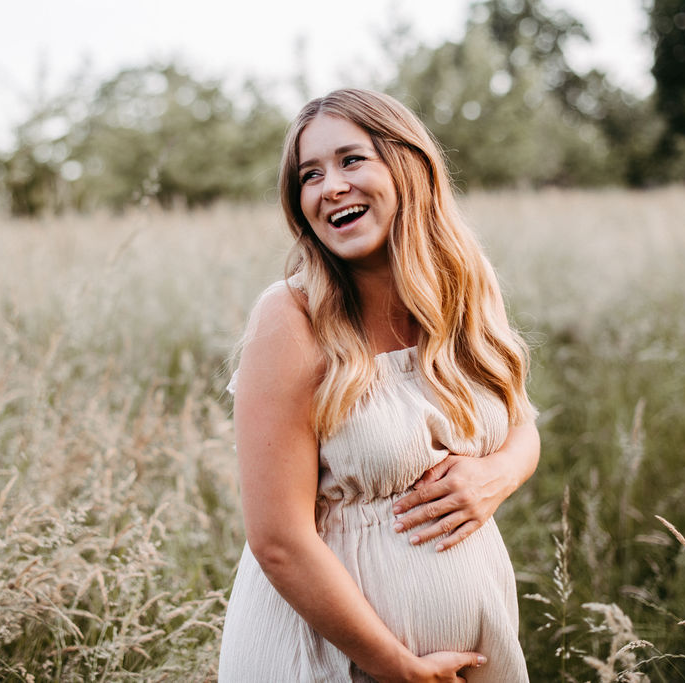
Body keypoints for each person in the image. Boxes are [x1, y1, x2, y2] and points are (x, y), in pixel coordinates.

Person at [217, 88, 540, 683]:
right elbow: (278, 539)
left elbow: (519, 418)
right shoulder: (290, 317)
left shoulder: (462, 286)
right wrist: (397, 668)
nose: (330, 187)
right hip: (326, 660)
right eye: (309, 175)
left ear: (407, 164)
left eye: (350, 160)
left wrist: (501, 473)